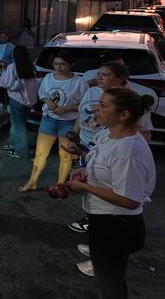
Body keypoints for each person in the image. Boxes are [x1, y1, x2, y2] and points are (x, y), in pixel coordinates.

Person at [67, 88, 156, 299]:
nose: (96, 107)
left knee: (109, 283)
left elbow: (130, 200)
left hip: (117, 227)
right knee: (109, 277)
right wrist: (84, 169)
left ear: (123, 114)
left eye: (104, 105)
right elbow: (101, 162)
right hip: (103, 221)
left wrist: (85, 187)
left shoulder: (128, 151)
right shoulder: (108, 134)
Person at [19, 50, 88, 193]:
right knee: (40, 153)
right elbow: (42, 94)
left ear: (71, 64)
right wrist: (48, 101)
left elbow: (84, 104)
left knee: (65, 155)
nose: (59, 67)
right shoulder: (49, 77)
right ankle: (32, 182)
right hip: (48, 120)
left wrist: (67, 108)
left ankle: (60, 186)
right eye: (56, 64)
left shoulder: (79, 82)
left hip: (68, 123)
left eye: (62, 64)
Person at [0, 46, 40, 159]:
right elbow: (35, 85)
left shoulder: (12, 67)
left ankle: (21, 151)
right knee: (19, 123)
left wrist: (3, 71)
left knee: (18, 125)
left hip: (16, 100)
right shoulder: (31, 67)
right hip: (29, 101)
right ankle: (12, 143)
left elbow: (3, 83)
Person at [0, 31, 16, 114]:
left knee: (7, 87)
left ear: (7, 37)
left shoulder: (12, 47)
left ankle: (8, 104)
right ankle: (1, 102)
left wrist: (6, 65)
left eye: (5, 36)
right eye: (1, 36)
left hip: (7, 70)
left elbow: (13, 60)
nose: (3, 38)